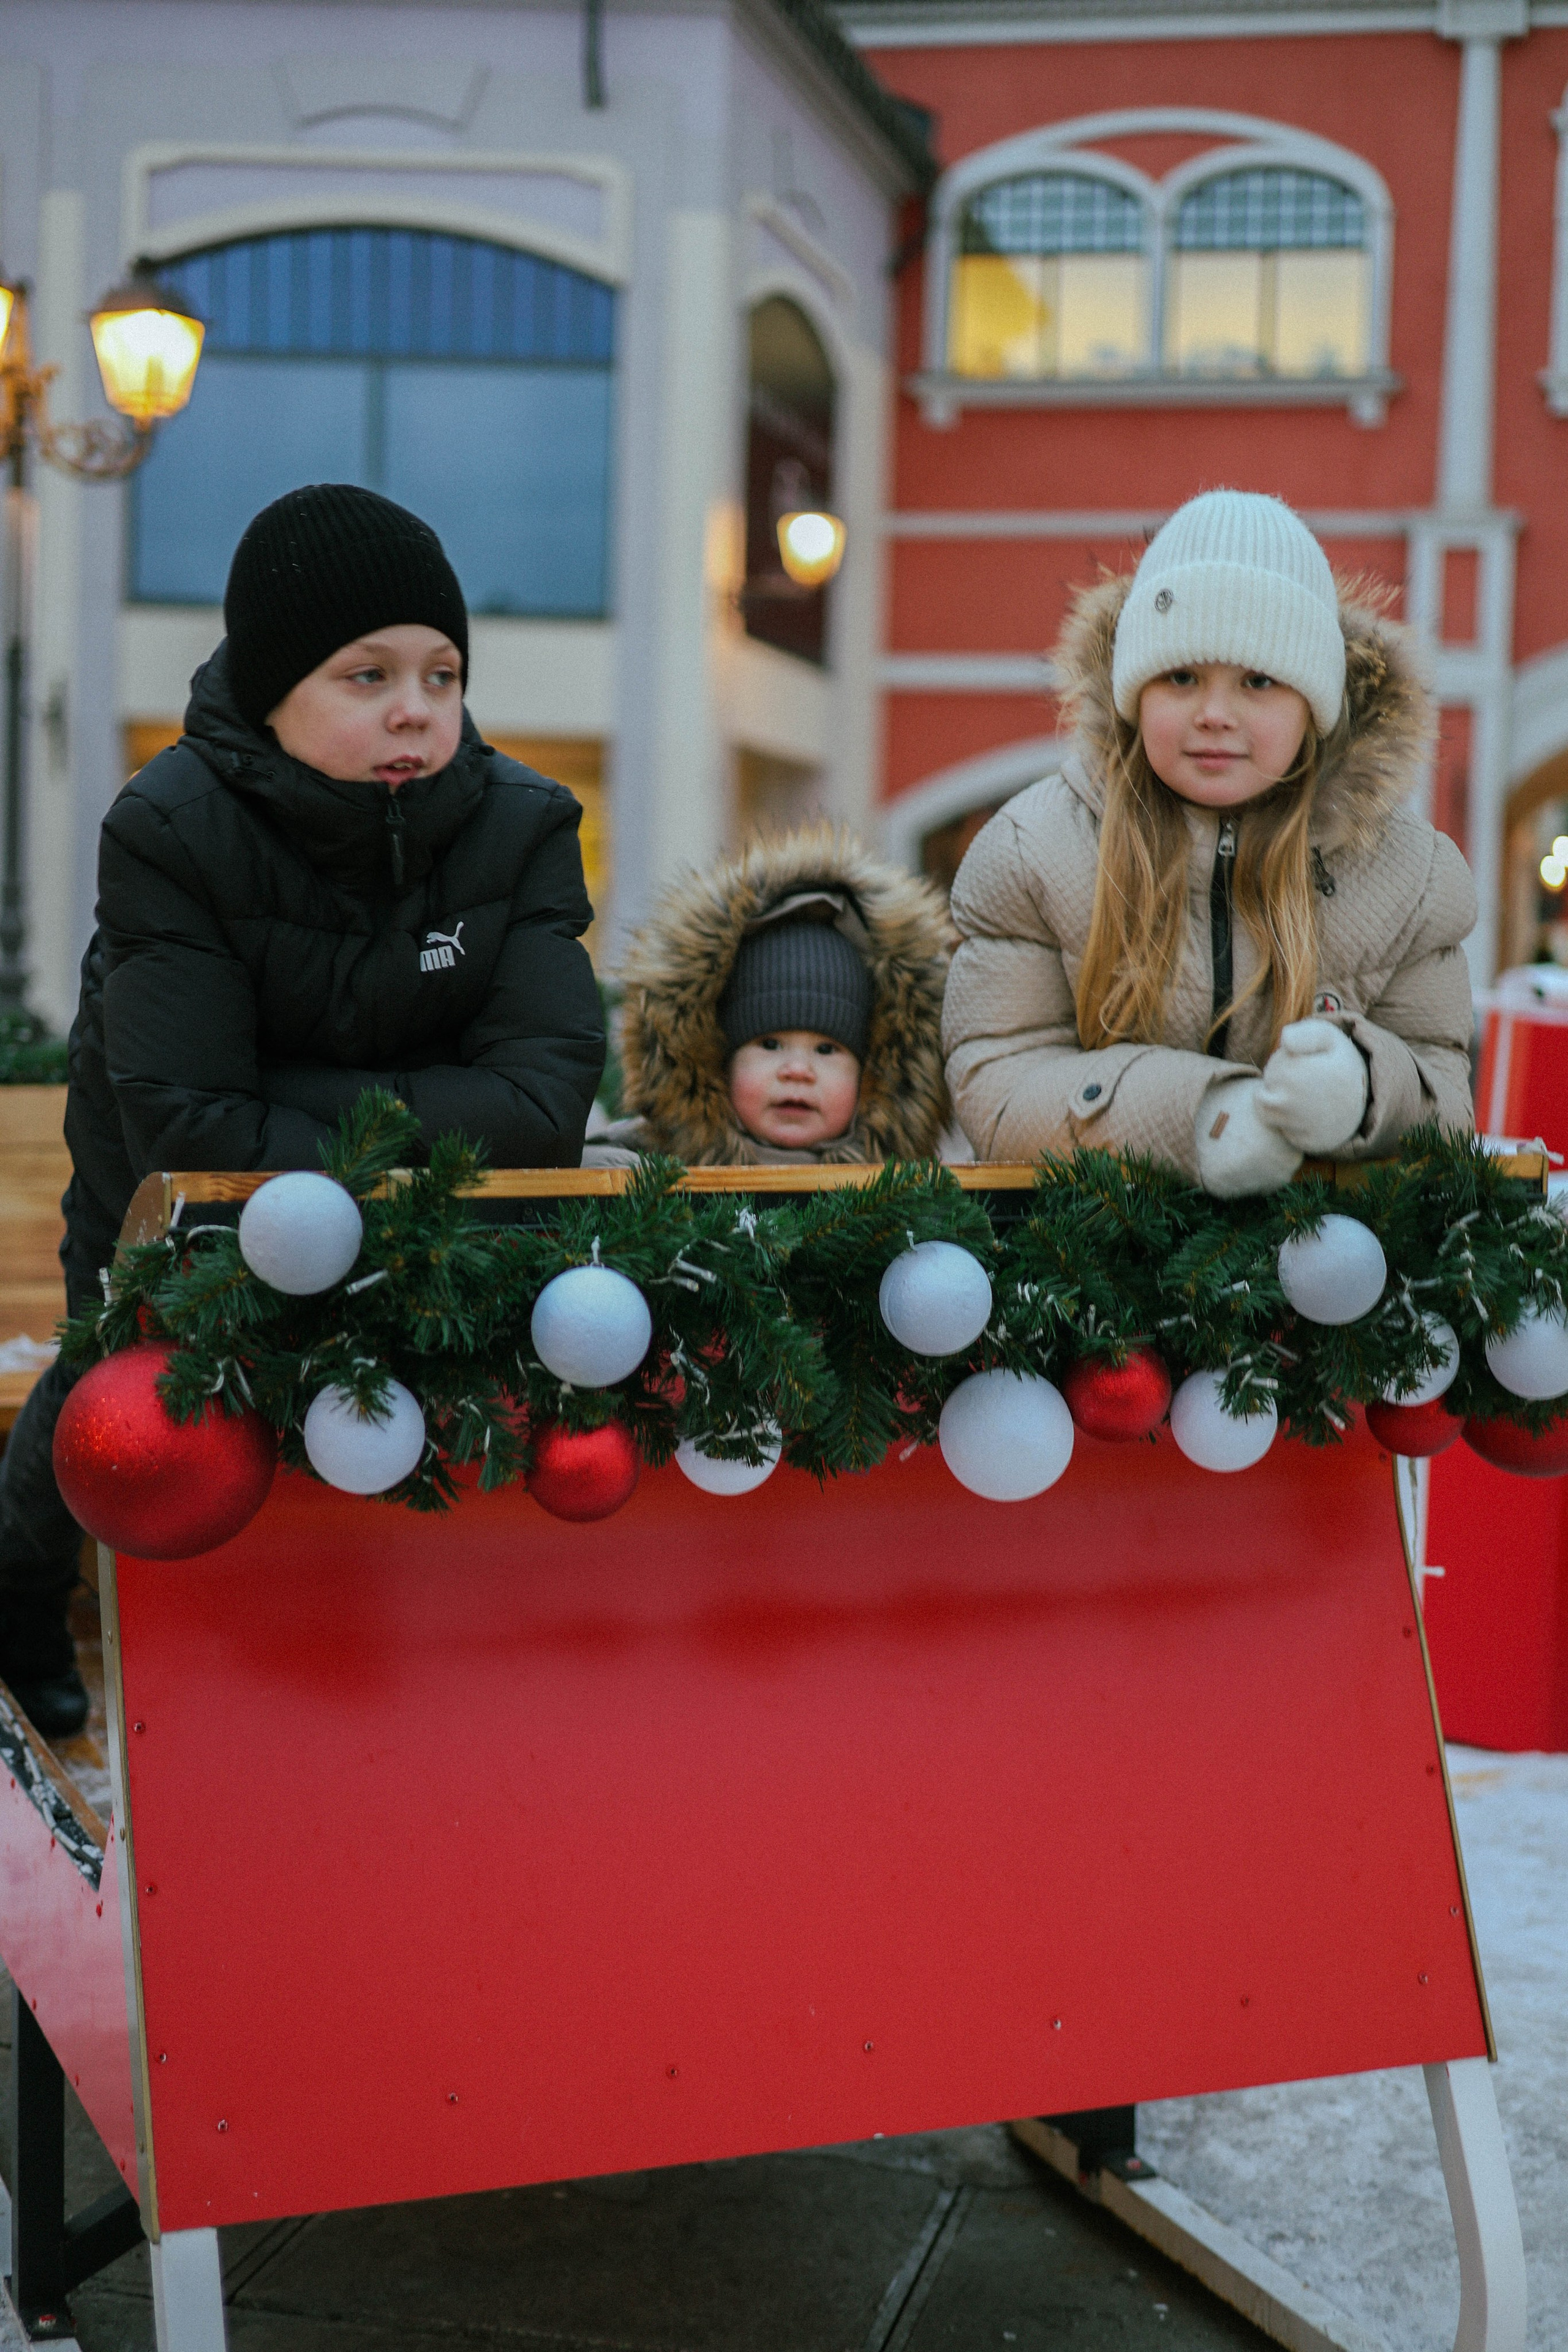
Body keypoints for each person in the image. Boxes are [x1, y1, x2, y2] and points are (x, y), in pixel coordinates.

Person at [0, 484, 604, 1735]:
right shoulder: (170, 825)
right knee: (118, 1376)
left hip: (430, 1209)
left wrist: (290, 1106)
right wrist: (433, 1113)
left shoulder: (525, 825)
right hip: (166, 1194)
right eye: (366, 675)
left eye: (442, 676)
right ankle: (17, 1601)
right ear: (273, 690)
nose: (414, 712)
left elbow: (545, 1102)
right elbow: (193, 1125)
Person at [941, 490, 1476, 1187]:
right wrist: (1201, 1117)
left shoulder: (1411, 878)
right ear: (1136, 692)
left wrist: (1363, 1090)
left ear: (1312, 705)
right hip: (1088, 1273)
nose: (1215, 715)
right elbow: (1001, 1089)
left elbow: (1443, 1098)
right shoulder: (1033, 851)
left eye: (1258, 680)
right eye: (1182, 676)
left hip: (1329, 1272)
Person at [587, 828, 959, 1166]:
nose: (797, 1071)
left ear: (874, 1077)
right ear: (715, 1062)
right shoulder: (654, 1168)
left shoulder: (908, 1191)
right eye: (770, 1044)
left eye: (826, 1050)